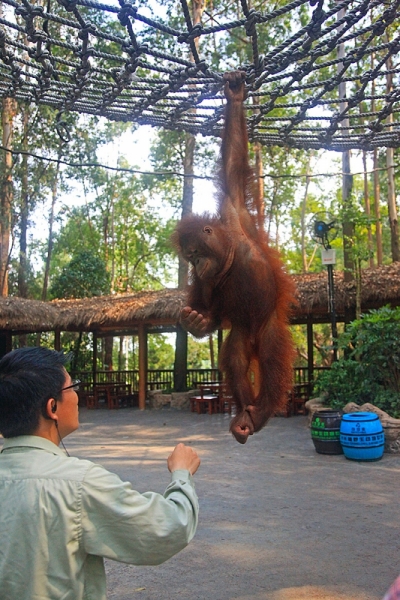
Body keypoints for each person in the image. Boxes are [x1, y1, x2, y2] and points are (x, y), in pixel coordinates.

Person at [0, 346, 200, 600]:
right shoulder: (79, 483)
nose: (76, 396)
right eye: (72, 387)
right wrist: (182, 474)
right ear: (52, 407)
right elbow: (167, 528)